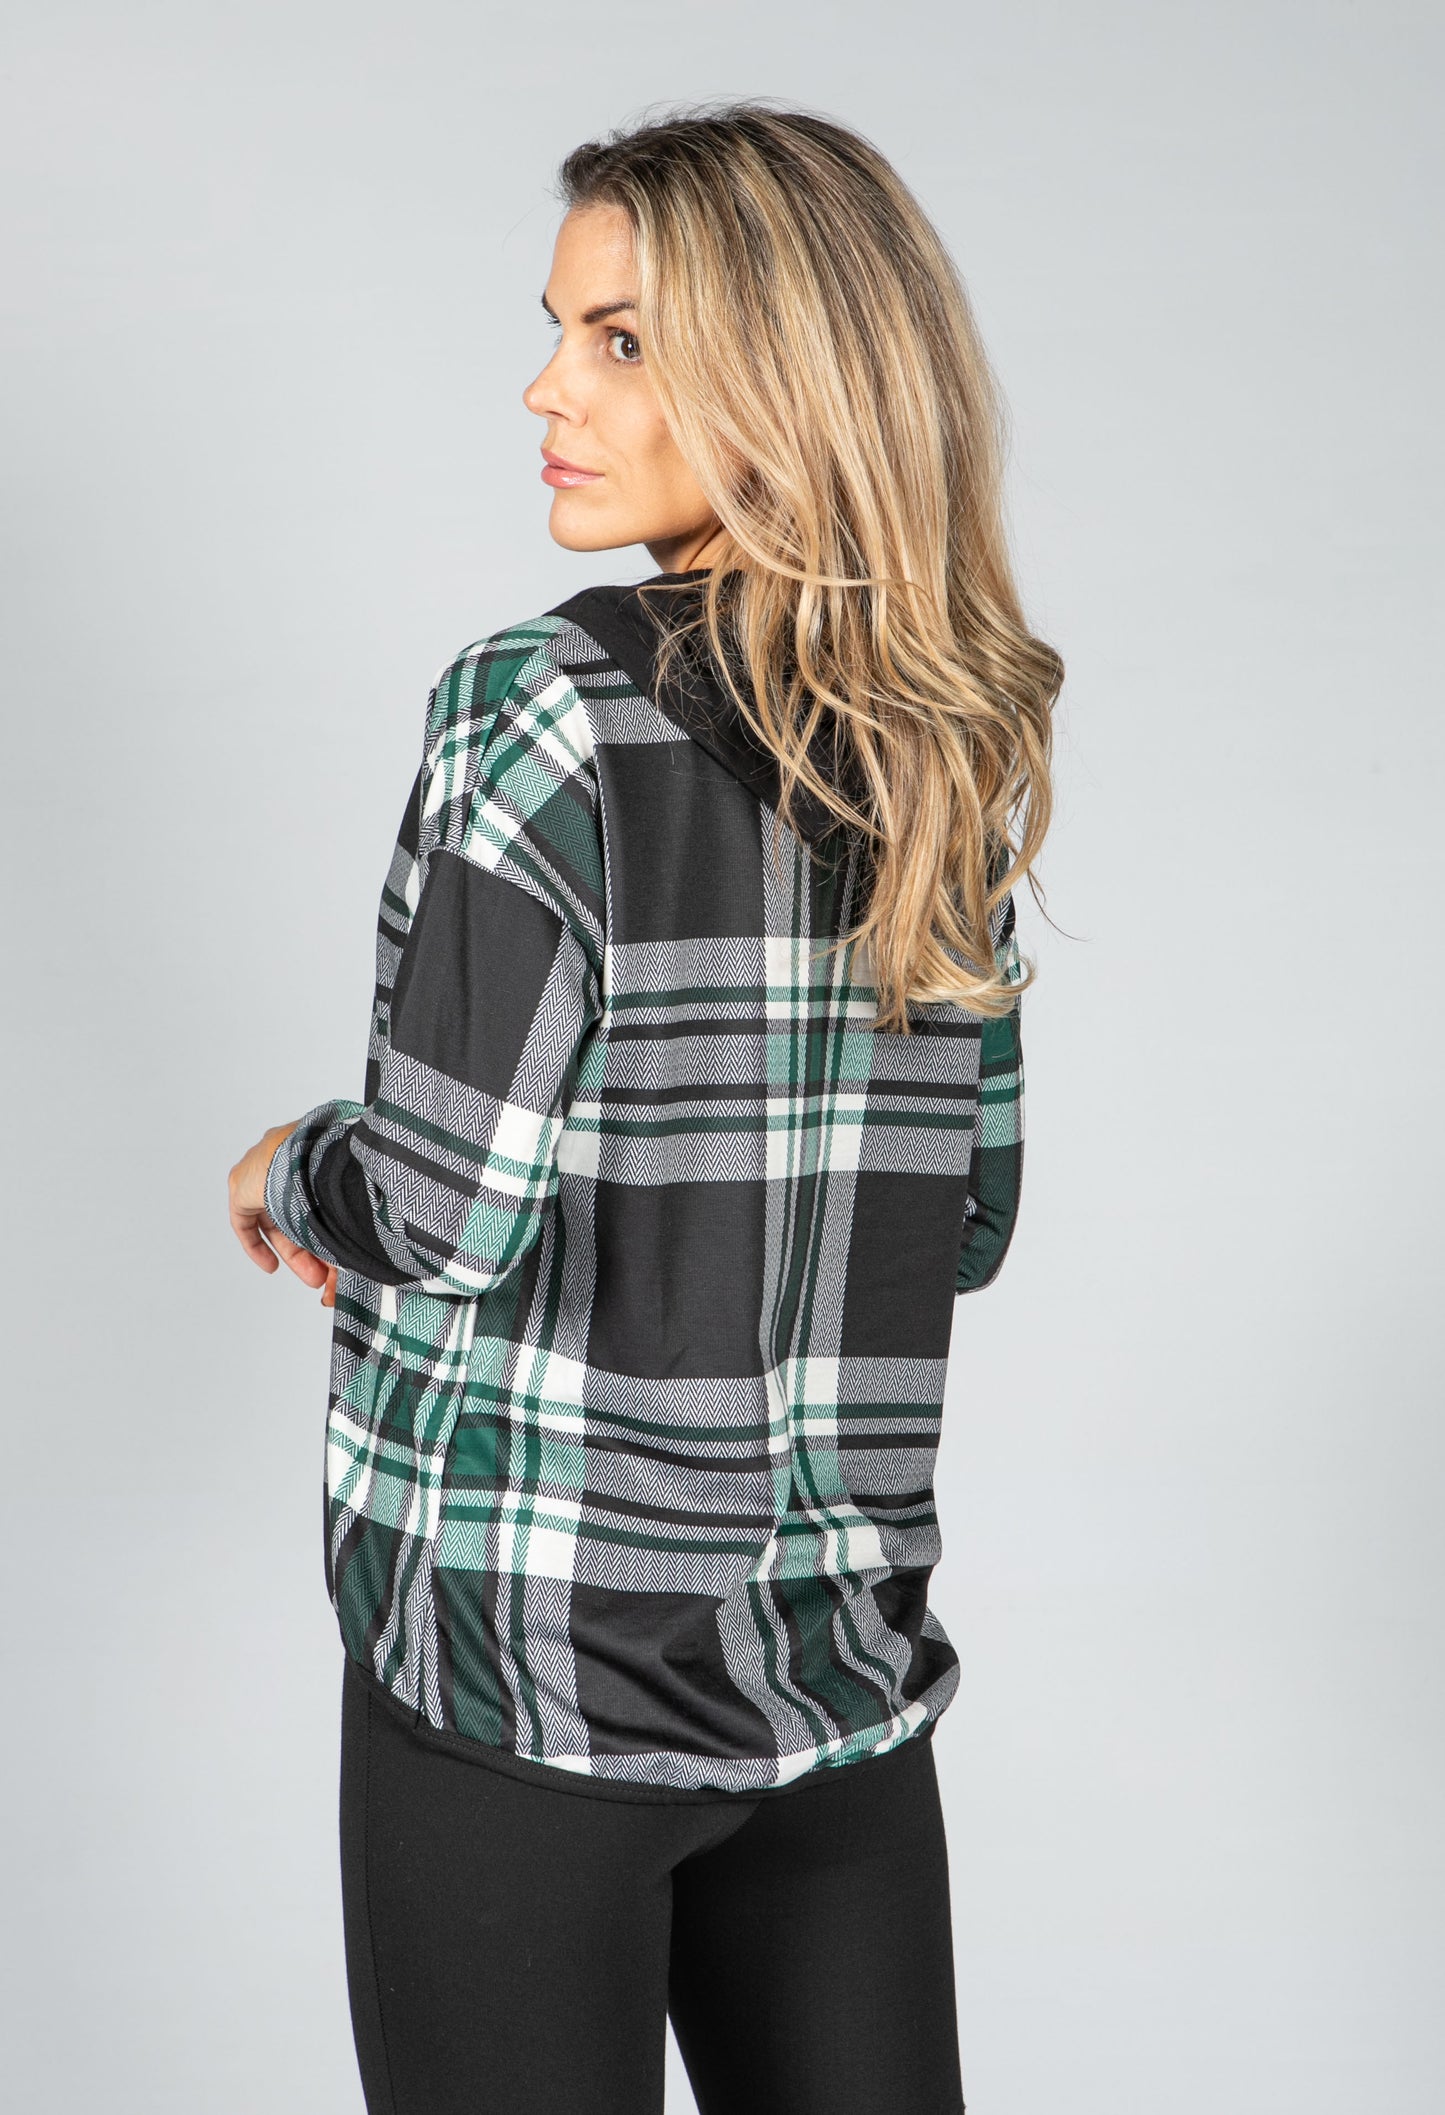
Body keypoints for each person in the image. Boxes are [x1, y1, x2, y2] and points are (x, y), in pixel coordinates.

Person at [228, 99, 1061, 2115]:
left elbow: (437, 1212)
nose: (549, 388)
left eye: (619, 340)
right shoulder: (935, 739)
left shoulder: (544, 707)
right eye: (559, 331)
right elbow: (962, 1219)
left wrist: (291, 1168)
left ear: (791, 372)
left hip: (527, 1675)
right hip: (826, 1658)